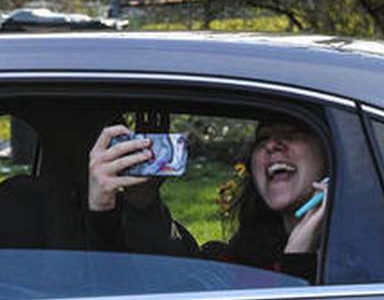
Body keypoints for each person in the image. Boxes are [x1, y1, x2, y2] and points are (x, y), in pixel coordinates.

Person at [84, 116, 329, 282]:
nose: (273, 145)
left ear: (331, 152)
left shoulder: (357, 256)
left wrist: (299, 258)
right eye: (263, 138)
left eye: (294, 134)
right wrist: (107, 208)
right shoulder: (235, 265)